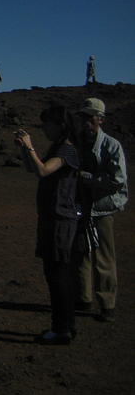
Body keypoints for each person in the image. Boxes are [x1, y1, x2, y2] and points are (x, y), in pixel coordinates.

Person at [15, 105, 86, 345]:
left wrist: (29, 146)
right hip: (54, 218)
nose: (44, 128)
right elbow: (34, 168)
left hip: (60, 220)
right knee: (56, 273)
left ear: (60, 125)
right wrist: (26, 151)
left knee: (57, 275)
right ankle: (66, 326)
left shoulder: (67, 150)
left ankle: (62, 328)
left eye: (47, 124)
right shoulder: (60, 148)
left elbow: (44, 170)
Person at [76, 97, 128, 323]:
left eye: (90, 117)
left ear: (100, 119)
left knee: (104, 256)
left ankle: (107, 303)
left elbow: (117, 180)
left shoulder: (111, 145)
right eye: (83, 117)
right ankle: (84, 298)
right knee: (81, 253)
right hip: (82, 205)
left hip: (103, 207)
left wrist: (91, 180)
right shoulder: (78, 143)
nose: (86, 121)